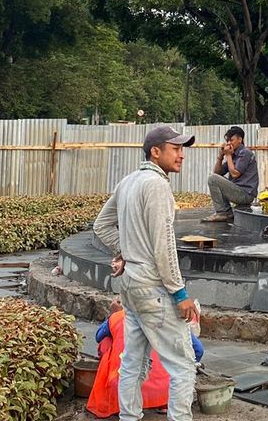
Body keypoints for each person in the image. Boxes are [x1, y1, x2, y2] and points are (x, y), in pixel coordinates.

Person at [93, 125, 200, 421]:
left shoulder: (128, 181)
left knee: (132, 363)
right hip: (153, 288)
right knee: (182, 366)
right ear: (155, 152)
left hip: (130, 286)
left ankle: (129, 417)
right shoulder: (157, 185)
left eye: (182, 149)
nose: (181, 155)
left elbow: (100, 226)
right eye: (175, 149)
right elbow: (164, 245)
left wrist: (126, 251)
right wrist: (180, 293)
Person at [85, 297, 205, 418]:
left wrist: (114, 315)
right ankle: (164, 404)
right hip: (165, 388)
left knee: (106, 342)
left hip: (123, 385)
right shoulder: (169, 317)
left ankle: (122, 407)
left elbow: (98, 336)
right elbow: (198, 350)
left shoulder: (119, 317)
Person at [204, 125, 259, 222]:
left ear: (240, 140)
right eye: (227, 141)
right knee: (213, 178)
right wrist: (221, 156)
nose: (229, 143)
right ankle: (226, 211)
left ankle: (223, 212)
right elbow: (217, 173)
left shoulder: (245, 153)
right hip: (239, 191)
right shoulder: (233, 155)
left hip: (246, 194)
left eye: (232, 140)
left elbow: (235, 174)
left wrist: (228, 155)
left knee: (212, 179)